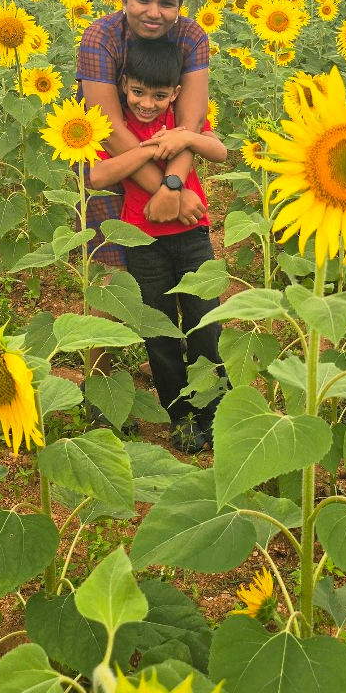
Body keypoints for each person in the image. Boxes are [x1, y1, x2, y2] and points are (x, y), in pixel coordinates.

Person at [90, 38, 228, 453]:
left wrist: (183, 138)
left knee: (206, 327)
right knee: (160, 334)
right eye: (137, 93)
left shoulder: (181, 124)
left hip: (193, 237)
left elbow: (219, 150)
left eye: (159, 95)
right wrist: (150, 148)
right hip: (143, 243)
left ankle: (213, 410)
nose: (146, 103)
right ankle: (180, 415)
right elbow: (98, 176)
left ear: (176, 94)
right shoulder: (117, 131)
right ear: (123, 86)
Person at [78, 0, 211, 271]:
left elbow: (189, 125)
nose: (154, 13)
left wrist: (172, 185)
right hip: (111, 157)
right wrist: (170, 193)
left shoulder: (191, 37)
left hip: (170, 157)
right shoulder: (102, 37)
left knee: (174, 259)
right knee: (115, 269)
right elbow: (108, 130)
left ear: (179, 6)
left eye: (166, 3)